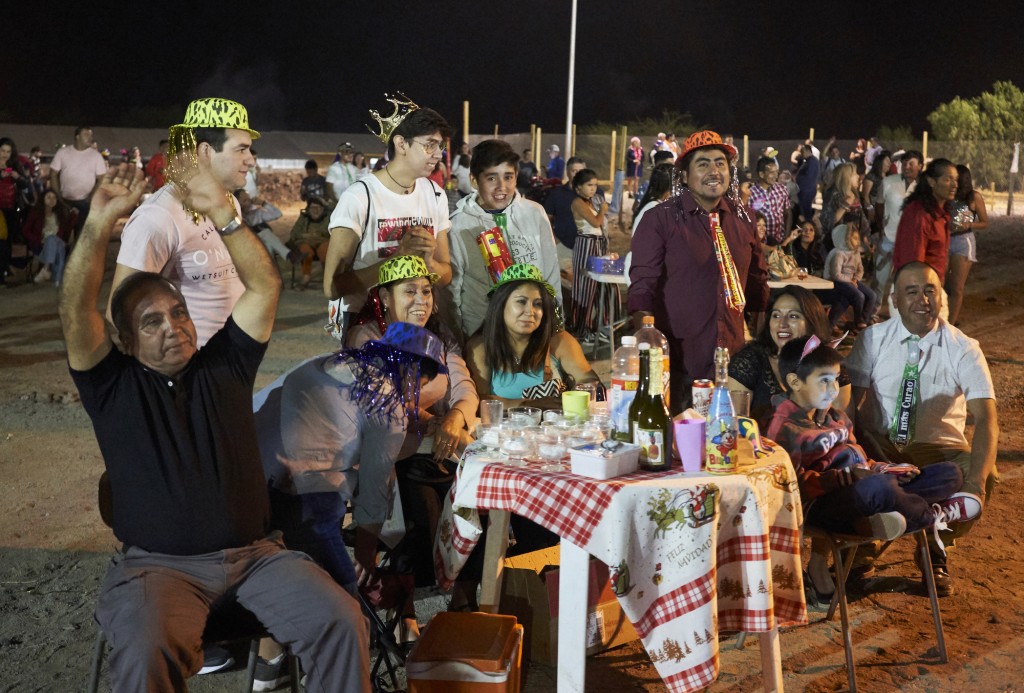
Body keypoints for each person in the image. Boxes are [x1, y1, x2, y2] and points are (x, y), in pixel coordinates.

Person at [59, 163, 370, 690]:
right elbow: (75, 313)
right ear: (127, 342)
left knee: (342, 621)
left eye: (178, 313)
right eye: (151, 322)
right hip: (160, 569)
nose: (173, 327)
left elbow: (264, 286)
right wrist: (96, 226)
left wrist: (227, 215)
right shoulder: (112, 387)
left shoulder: (223, 366)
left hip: (257, 558)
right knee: (146, 650)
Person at [253, 320, 449, 681]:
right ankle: (337, 675)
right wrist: (363, 555)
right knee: (344, 612)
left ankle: (268, 664)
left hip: (245, 486)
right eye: (420, 385)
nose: (415, 396)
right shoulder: (387, 400)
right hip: (300, 499)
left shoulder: (323, 361)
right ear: (409, 369)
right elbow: (374, 491)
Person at [767, 334, 979, 604]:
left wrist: (888, 468)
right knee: (878, 488)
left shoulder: (836, 417)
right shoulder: (784, 428)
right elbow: (791, 487)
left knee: (950, 473)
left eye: (836, 380)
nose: (834, 389)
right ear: (795, 382)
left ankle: (893, 513)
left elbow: (860, 459)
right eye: (824, 381)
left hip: (865, 489)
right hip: (824, 507)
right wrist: (847, 477)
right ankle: (931, 517)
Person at [847, 261, 998, 595]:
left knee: (987, 474)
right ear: (895, 300)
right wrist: (857, 451)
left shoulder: (964, 349)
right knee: (854, 468)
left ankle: (935, 541)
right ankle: (863, 548)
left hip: (940, 451)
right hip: (882, 446)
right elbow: (849, 407)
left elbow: (987, 420)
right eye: (911, 291)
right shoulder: (872, 340)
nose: (922, 299)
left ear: (941, 297)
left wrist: (975, 484)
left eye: (930, 290)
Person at [344, 256, 478, 611]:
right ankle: (405, 613)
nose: (421, 299)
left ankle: (465, 601)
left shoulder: (438, 333)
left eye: (427, 290)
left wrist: (455, 416)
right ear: (385, 297)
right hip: (385, 448)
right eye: (409, 291)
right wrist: (434, 420)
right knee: (417, 505)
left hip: (430, 443)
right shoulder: (367, 337)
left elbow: (463, 385)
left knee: (473, 490)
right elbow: (381, 403)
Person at [628, 130, 770, 412]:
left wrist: (762, 346)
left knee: (727, 445)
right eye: (703, 164)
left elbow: (757, 284)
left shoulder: (745, 219)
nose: (714, 170)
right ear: (684, 175)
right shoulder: (660, 219)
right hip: (680, 363)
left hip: (734, 363)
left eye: (720, 163)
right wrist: (648, 353)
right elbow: (643, 287)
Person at [110, 98, 257, 347]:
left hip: (231, 363)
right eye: (241, 149)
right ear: (205, 151)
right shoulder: (158, 217)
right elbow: (120, 316)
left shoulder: (230, 202)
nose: (251, 160)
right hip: (189, 371)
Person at [323, 94, 453, 342]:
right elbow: (332, 287)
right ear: (401, 144)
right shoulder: (360, 197)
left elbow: (445, 275)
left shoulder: (435, 195)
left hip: (417, 318)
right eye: (430, 145)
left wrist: (430, 264)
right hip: (365, 324)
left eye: (440, 146)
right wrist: (398, 258)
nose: (438, 154)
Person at [448, 139, 563, 339]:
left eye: (508, 177)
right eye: (491, 178)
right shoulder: (459, 225)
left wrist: (555, 325)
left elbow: (551, 273)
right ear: (474, 180)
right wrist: (460, 339)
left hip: (532, 332)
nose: (502, 187)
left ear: (516, 177)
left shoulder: (535, 214)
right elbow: (453, 290)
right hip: (483, 335)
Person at [466, 263, 601, 410]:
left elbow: (589, 380)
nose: (530, 311)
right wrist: (529, 405)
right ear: (501, 305)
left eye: (538, 304)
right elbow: (478, 402)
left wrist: (577, 394)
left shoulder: (559, 341)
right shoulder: (480, 347)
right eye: (521, 302)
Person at [728, 285, 851, 429]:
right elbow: (732, 426)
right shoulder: (748, 361)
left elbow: (845, 425)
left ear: (812, 321)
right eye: (776, 315)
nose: (782, 323)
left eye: (793, 316)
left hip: (821, 448)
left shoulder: (829, 363)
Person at [569, 168, 616, 344]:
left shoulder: (592, 201)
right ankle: (582, 329)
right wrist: (603, 210)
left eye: (595, 185)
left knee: (600, 288)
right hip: (586, 245)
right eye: (589, 185)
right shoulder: (577, 203)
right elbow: (596, 222)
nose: (593, 189)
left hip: (597, 244)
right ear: (578, 188)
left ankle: (602, 327)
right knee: (585, 288)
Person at [893, 158, 957, 282]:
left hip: (932, 286)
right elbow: (913, 261)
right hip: (919, 289)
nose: (955, 185)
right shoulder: (919, 214)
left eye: (956, 179)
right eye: (948, 179)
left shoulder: (943, 212)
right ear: (932, 182)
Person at [877, 150, 923, 311]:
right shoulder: (888, 181)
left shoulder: (925, 189)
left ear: (921, 166)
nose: (907, 167)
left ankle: (901, 313)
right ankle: (872, 312)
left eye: (911, 163)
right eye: (904, 163)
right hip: (888, 237)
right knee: (880, 277)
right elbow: (879, 205)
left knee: (905, 280)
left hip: (911, 243)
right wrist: (880, 227)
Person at [945, 164, 987, 326]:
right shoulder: (948, 195)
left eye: (956, 177)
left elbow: (984, 223)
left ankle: (950, 323)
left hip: (963, 241)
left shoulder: (974, 197)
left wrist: (969, 225)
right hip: (945, 240)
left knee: (956, 287)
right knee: (941, 282)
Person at [49, 126, 107, 243]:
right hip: (65, 200)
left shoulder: (96, 156)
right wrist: (57, 195)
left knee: (81, 238)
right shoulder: (63, 153)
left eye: (91, 135)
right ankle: (61, 259)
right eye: (86, 134)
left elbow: (101, 178)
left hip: (84, 202)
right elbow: (53, 173)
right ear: (77, 137)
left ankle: (75, 259)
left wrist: (91, 197)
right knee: (61, 235)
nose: (90, 137)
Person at [824, 222, 878, 330]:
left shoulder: (855, 253)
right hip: (838, 281)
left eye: (858, 238)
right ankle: (857, 320)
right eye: (854, 238)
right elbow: (836, 274)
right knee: (858, 295)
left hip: (852, 281)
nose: (857, 241)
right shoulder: (839, 253)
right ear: (846, 239)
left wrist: (855, 279)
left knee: (872, 295)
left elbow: (860, 269)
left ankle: (862, 319)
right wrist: (850, 281)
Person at [543, 155, 587, 273]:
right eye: (574, 171)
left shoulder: (596, 194)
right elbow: (545, 220)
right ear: (567, 173)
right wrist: (555, 241)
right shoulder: (557, 194)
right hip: (564, 248)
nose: (577, 174)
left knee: (588, 286)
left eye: (580, 171)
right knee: (568, 284)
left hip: (588, 250)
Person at [236, 189, 301, 268]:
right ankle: (289, 255)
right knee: (266, 233)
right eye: (244, 200)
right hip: (247, 245)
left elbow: (277, 214)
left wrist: (263, 203)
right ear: (238, 202)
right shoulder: (236, 217)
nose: (248, 202)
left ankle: (271, 269)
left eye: (249, 199)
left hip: (261, 244)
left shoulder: (256, 213)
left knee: (268, 245)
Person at [23, 189, 74, 287]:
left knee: (52, 239)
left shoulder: (59, 214)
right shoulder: (36, 213)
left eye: (54, 198)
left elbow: (66, 231)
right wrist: (37, 239)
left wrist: (73, 217)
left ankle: (46, 268)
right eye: (48, 197)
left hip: (56, 241)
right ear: (43, 199)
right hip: (41, 244)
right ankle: (56, 278)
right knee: (57, 247)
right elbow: (26, 231)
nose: (52, 200)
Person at [0, 137, 34, 282]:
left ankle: (3, 270)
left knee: (6, 242)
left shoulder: (14, 165)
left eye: (8, 151)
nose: (5, 154)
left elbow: (27, 187)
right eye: (2, 150)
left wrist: (18, 178)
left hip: (11, 209)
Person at [289, 195, 332, 290]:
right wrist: (304, 236)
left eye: (318, 208)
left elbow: (331, 233)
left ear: (322, 209)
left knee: (325, 249)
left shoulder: (327, 218)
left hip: (322, 242)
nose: (316, 211)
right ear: (308, 209)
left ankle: (328, 279)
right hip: (306, 242)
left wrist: (317, 235)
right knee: (306, 251)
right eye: (313, 208)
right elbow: (294, 233)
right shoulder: (304, 218)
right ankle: (306, 277)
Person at [820, 162, 865, 251]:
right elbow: (828, 222)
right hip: (837, 244)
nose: (858, 176)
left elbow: (861, 216)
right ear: (846, 177)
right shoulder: (833, 194)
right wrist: (847, 202)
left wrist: (866, 236)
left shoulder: (855, 193)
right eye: (855, 174)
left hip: (853, 241)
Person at [748, 156, 792, 245]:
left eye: (776, 172)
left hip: (780, 242)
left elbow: (788, 213)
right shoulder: (750, 194)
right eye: (772, 172)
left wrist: (786, 237)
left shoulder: (782, 189)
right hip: (760, 245)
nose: (776, 176)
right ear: (761, 174)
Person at [860, 149, 891, 238]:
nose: (889, 164)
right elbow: (865, 194)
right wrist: (870, 209)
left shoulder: (889, 177)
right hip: (875, 207)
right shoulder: (872, 176)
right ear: (880, 162)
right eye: (887, 161)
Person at [794, 143, 820, 223]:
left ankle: (807, 225)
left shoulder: (812, 162)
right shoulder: (808, 161)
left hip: (807, 190)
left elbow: (809, 177)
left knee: (806, 212)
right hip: (804, 190)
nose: (802, 154)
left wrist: (798, 179)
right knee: (804, 210)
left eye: (803, 151)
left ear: (808, 151)